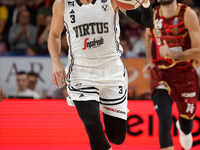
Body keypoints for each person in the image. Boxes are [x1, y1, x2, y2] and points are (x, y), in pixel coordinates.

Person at [48, 0, 153, 149]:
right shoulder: (63, 3)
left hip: (112, 71)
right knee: (92, 122)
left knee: (117, 137)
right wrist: (55, 61)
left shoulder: (112, 1)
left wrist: (147, 4)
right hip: (81, 71)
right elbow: (54, 35)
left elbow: (146, 22)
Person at [144, 0, 200, 150]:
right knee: (164, 118)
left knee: (187, 123)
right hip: (160, 73)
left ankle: (184, 130)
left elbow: (199, 49)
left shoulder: (187, 14)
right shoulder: (153, 14)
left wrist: (175, 55)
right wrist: (148, 60)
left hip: (184, 74)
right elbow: (148, 35)